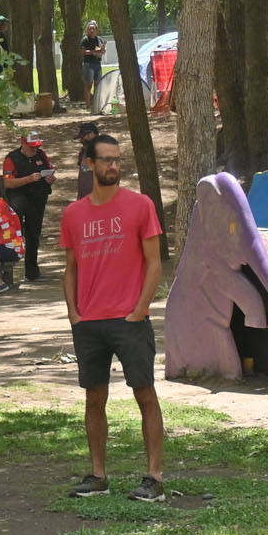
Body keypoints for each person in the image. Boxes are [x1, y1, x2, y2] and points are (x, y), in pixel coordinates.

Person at [60, 133, 166, 502]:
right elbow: (70, 267)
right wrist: (74, 313)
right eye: (105, 159)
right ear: (88, 163)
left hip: (130, 320)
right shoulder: (74, 214)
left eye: (118, 160)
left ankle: (153, 477)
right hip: (89, 323)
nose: (114, 166)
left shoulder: (140, 206)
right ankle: (98, 475)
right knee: (94, 399)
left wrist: (139, 309)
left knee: (146, 396)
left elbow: (155, 263)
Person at [2, 132, 56, 281]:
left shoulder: (42, 155)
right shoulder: (12, 158)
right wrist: (28, 179)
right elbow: (7, 182)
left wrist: (51, 179)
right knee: (14, 234)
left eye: (37, 147)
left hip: (38, 199)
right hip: (19, 199)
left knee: (34, 235)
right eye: (32, 147)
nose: (35, 150)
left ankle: (32, 272)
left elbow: (50, 171)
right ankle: (7, 274)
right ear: (23, 143)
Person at [74, 122, 100, 200]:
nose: (81, 140)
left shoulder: (101, 152)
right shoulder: (84, 151)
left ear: (90, 135)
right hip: (84, 198)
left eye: (82, 137)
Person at [80, 20, 106, 85]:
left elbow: (102, 51)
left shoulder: (99, 39)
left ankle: (95, 95)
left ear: (96, 30)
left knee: (98, 86)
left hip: (98, 64)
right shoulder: (85, 40)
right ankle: (87, 95)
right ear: (88, 30)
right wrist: (94, 51)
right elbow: (83, 52)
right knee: (88, 86)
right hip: (88, 65)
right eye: (90, 29)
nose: (92, 30)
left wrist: (102, 51)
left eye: (93, 29)